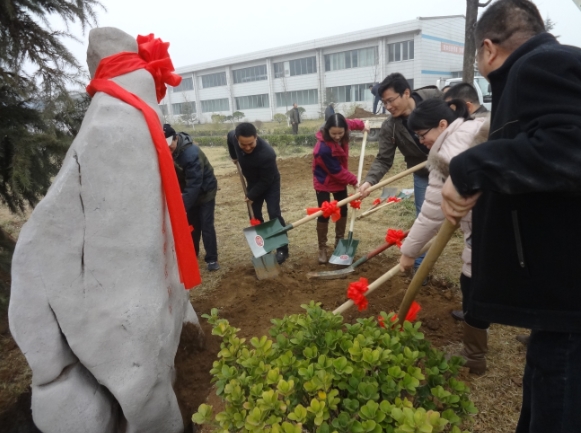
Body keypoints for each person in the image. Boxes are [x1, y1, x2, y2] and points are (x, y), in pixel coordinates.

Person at [440, 0, 581, 430]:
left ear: (487, 48)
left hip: (570, 294)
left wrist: (469, 168)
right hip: (559, 293)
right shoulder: (541, 69)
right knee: (545, 389)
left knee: (558, 406)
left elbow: (569, 149)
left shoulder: (541, 65)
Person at [397, 98, 487, 374]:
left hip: (485, 229)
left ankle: (474, 356)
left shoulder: (446, 155)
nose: (421, 141)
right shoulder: (472, 129)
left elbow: (431, 214)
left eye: (422, 134)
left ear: (442, 124)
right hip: (504, 223)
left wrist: (408, 253)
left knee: (472, 285)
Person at [359, 73, 441, 272]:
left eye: (390, 100)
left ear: (406, 93)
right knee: (423, 220)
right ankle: (420, 270)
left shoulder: (435, 100)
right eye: (384, 103)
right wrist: (369, 181)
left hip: (453, 166)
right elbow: (384, 159)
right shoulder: (391, 126)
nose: (387, 106)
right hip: (423, 173)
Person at [227, 122, 289, 264]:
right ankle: (263, 248)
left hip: (270, 182)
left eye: (251, 144)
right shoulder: (233, 138)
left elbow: (266, 181)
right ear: (237, 139)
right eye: (243, 145)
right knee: (254, 214)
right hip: (253, 181)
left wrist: (251, 195)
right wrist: (234, 156)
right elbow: (229, 138)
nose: (247, 147)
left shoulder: (267, 154)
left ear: (256, 137)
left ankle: (282, 250)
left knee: (274, 213)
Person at [313, 114, 369, 263]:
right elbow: (336, 171)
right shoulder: (322, 149)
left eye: (340, 133)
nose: (337, 136)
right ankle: (322, 247)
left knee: (342, 208)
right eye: (333, 134)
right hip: (323, 179)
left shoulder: (343, 126)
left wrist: (363, 125)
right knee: (324, 212)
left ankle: (339, 242)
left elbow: (351, 123)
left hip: (339, 179)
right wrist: (354, 181)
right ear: (327, 130)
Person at [164, 124, 220, 271]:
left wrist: (181, 206)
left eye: (170, 146)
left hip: (205, 191)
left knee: (206, 224)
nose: (168, 149)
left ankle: (212, 259)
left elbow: (195, 184)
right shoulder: (169, 152)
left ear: (176, 139)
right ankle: (192, 254)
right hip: (189, 191)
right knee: (192, 225)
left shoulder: (191, 154)